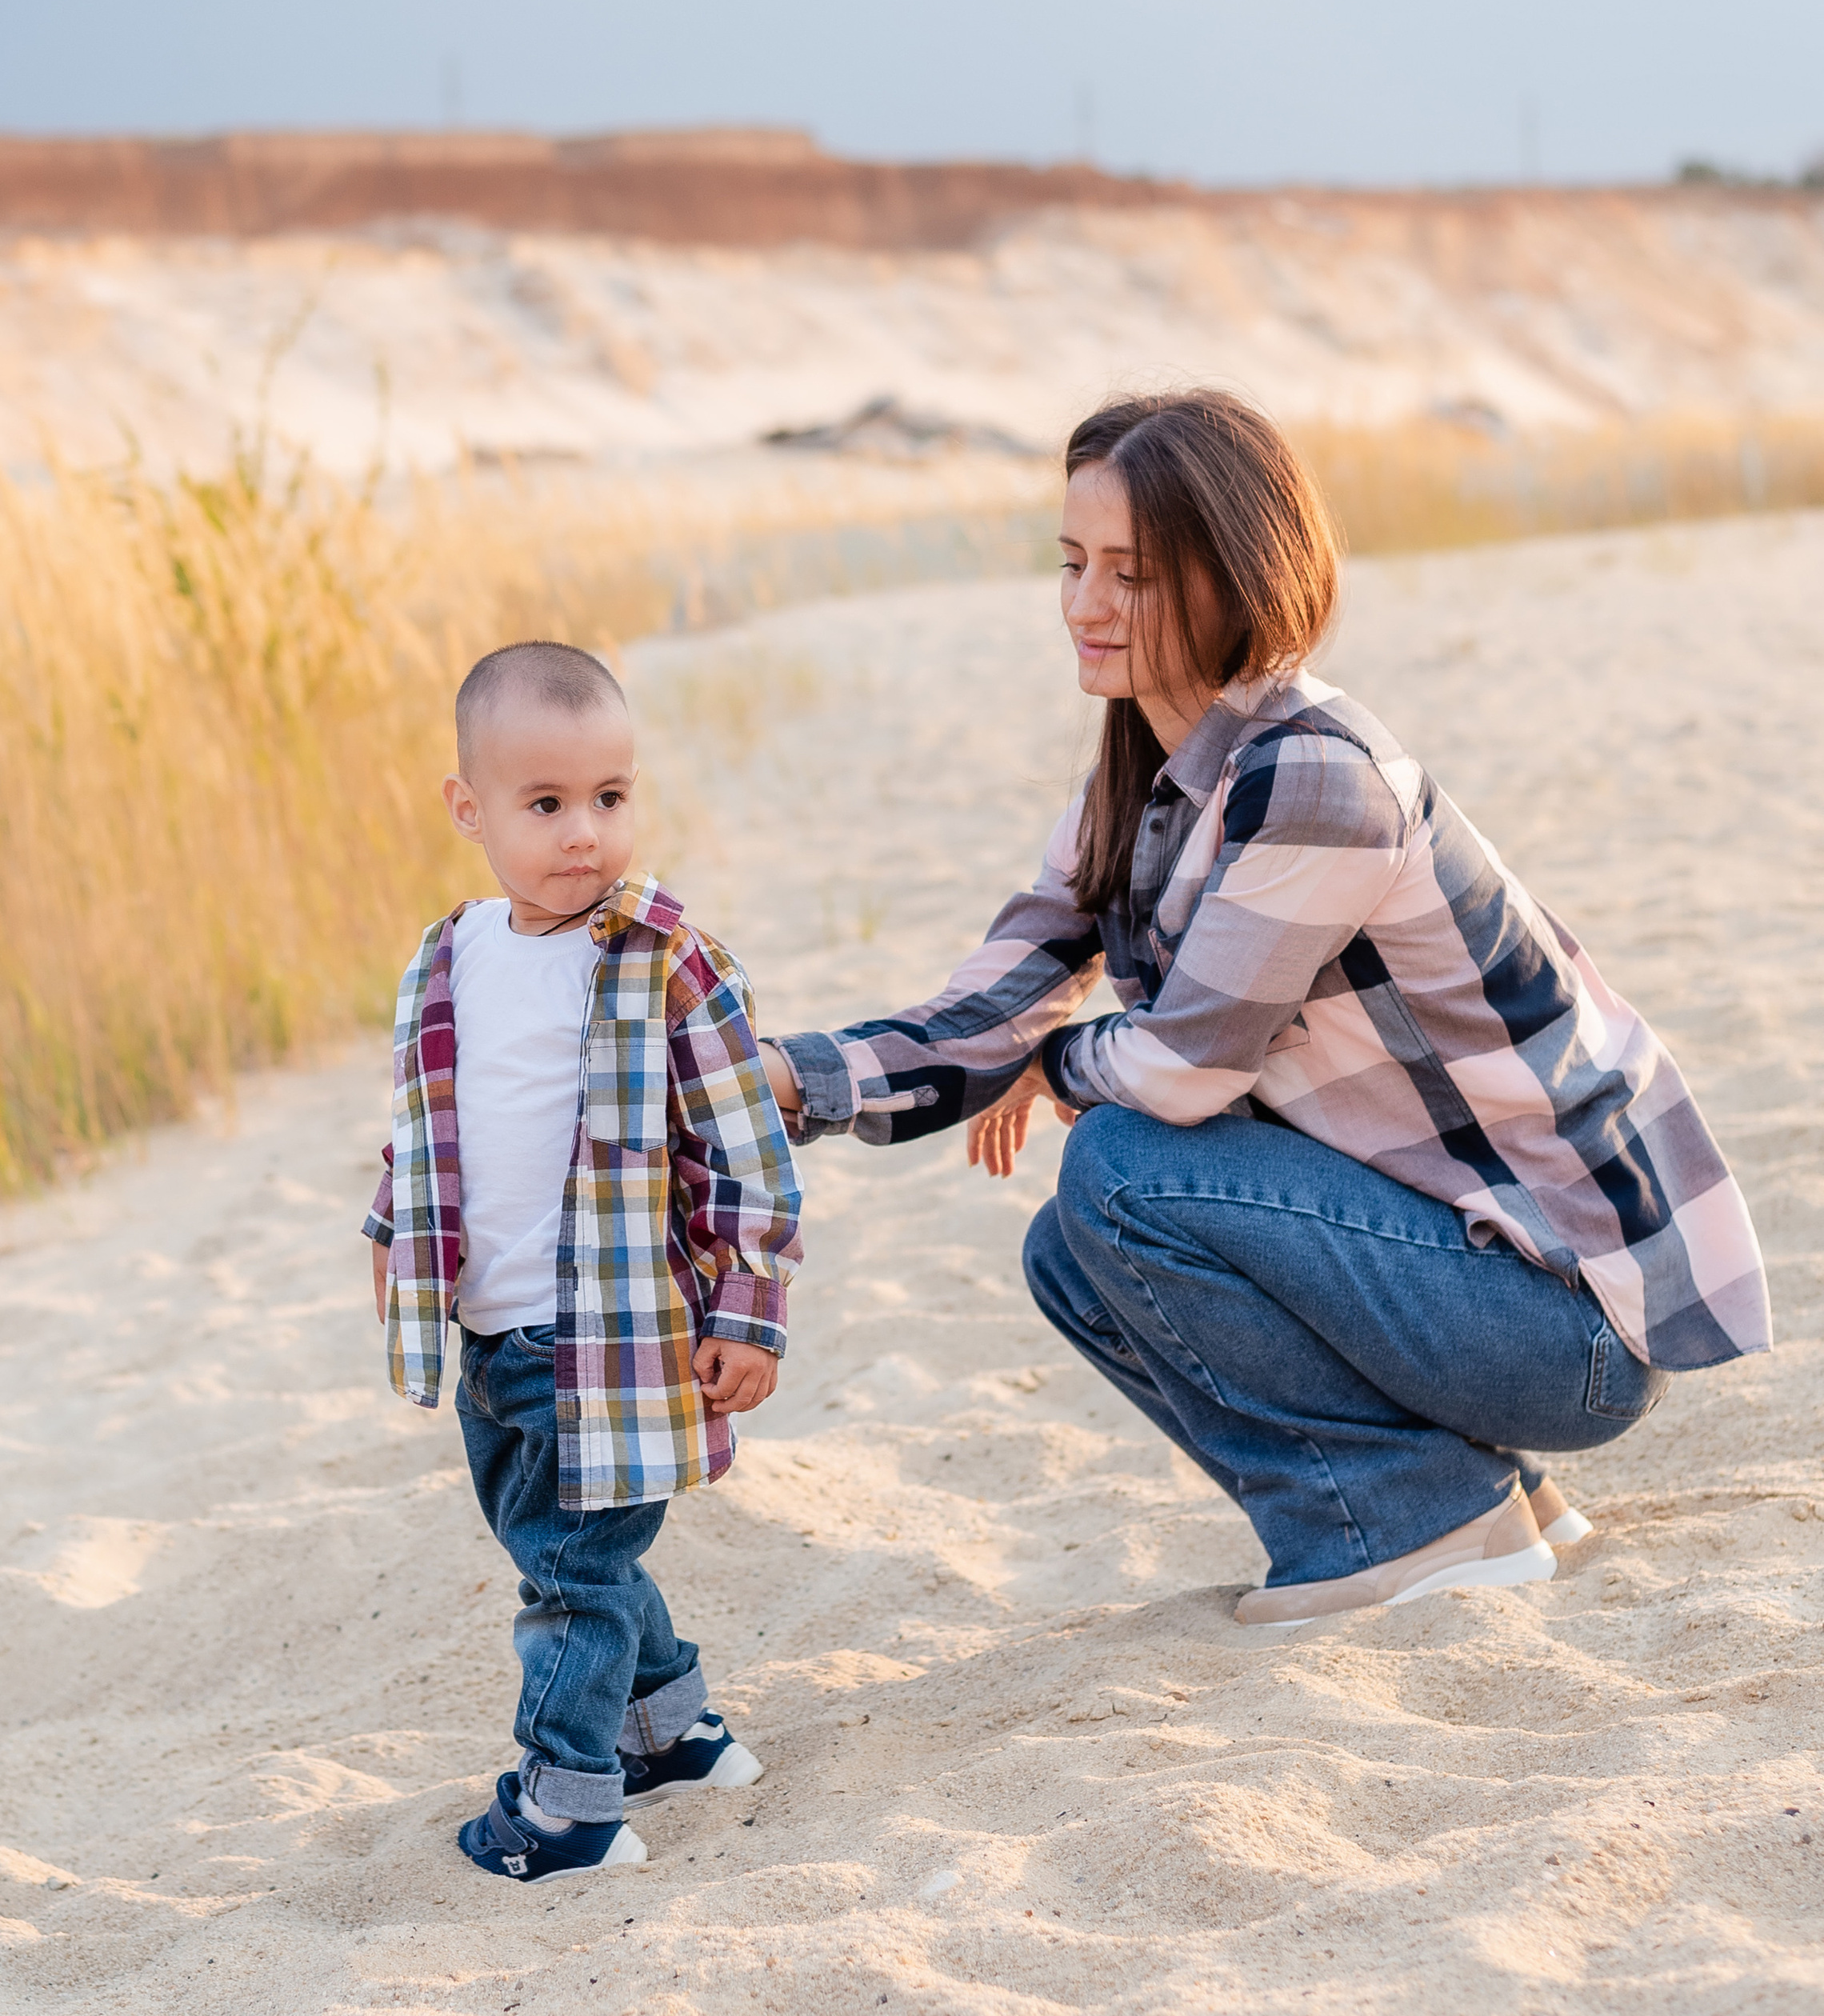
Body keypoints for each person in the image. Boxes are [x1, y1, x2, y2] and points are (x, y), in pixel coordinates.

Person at [762, 390, 1769, 1631]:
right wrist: (788, 1078)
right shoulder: (1144, 770)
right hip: (1472, 1271)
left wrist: (1060, 1067)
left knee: (1125, 1168)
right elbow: (1008, 987)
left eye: (1131, 574)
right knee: (1072, 1252)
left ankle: (1408, 1519)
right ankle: (1476, 1495)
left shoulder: (1316, 776)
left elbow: (1181, 1072)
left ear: (1238, 576)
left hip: (1574, 1323)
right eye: (1072, 563)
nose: (1084, 604)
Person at [366, 640, 802, 1878]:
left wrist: (749, 1306)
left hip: (610, 1338)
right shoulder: (445, 958)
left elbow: (745, 1145)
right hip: (493, 1336)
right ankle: (673, 1730)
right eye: (545, 804)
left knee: (571, 1574)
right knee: (553, 1544)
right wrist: (393, 1244)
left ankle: (566, 1802)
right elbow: (425, 1128)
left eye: (610, 797)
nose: (584, 835)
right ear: (471, 809)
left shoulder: (666, 958)